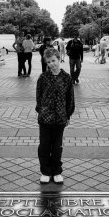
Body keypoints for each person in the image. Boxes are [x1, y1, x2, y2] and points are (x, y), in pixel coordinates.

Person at [35, 48, 75, 184]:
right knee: (44, 145)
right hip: (45, 119)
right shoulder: (43, 77)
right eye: (48, 62)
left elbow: (70, 99)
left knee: (57, 146)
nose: (51, 64)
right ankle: (46, 172)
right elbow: (38, 97)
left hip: (60, 118)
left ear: (59, 59)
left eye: (53, 61)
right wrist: (41, 111)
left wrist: (68, 115)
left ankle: (56, 171)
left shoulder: (67, 78)